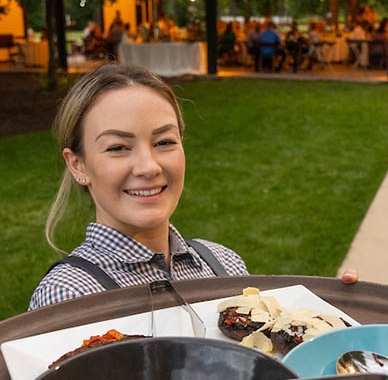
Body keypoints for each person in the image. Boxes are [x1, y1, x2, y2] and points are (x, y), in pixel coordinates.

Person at [28, 63, 357, 308]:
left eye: (164, 142)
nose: (149, 167)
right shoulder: (70, 294)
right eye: (118, 147)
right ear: (78, 165)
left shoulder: (223, 266)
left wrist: (331, 313)